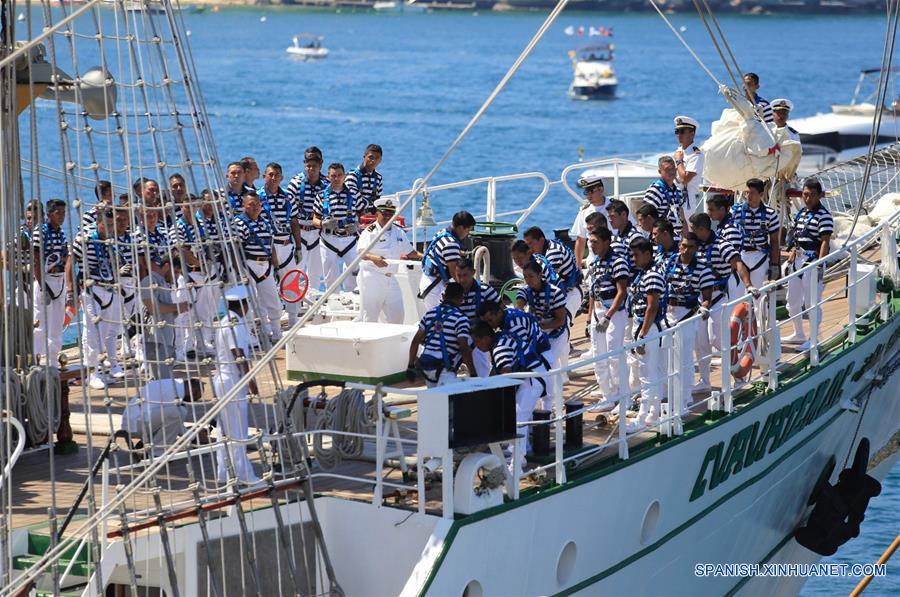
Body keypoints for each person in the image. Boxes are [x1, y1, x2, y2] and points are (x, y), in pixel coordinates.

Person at [689, 212, 756, 391]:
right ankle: (705, 381)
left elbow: (738, 263)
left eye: (693, 229)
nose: (691, 232)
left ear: (702, 229)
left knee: (718, 339)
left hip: (718, 299)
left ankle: (739, 375)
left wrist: (748, 285)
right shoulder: (696, 246)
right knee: (701, 342)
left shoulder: (722, 245)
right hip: (700, 300)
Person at [470, 321, 547, 472]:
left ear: (485, 338)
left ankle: (517, 464)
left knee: (519, 419)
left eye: (476, 342)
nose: (476, 346)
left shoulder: (499, 349)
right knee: (518, 417)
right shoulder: (500, 338)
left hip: (532, 379)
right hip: (532, 375)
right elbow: (496, 371)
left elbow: (505, 373)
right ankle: (518, 454)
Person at [73, 207, 126, 390]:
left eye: (113, 225)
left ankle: (103, 370)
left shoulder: (112, 240)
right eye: (107, 225)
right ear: (99, 223)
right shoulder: (85, 239)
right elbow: (70, 263)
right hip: (91, 288)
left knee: (108, 332)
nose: (110, 229)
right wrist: (72, 292)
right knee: (92, 332)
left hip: (109, 288)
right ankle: (92, 373)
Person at [212, 285, 261, 483]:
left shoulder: (225, 321)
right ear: (243, 304)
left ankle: (224, 472)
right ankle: (243, 474)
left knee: (224, 431)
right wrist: (251, 382)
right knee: (238, 430)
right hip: (232, 380)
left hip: (223, 380)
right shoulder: (235, 323)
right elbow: (238, 354)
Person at [662, 232, 715, 411]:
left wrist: (704, 308)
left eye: (691, 247)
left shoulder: (703, 269)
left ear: (697, 249)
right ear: (679, 246)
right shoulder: (668, 263)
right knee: (665, 356)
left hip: (687, 313)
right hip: (667, 313)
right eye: (684, 246)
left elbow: (707, 297)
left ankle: (685, 398)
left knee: (684, 357)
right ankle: (667, 394)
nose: (686, 250)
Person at [784, 178, 833, 351]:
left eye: (812, 195)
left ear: (820, 195)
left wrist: (820, 263)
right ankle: (798, 333)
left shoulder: (824, 216)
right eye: (805, 195)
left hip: (812, 262)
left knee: (812, 302)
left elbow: (825, 241)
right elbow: (797, 236)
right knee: (792, 300)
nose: (807, 198)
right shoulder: (802, 213)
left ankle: (813, 339)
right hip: (797, 260)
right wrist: (792, 252)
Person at [170, 193, 219, 358]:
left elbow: (208, 245)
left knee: (204, 312)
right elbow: (181, 251)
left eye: (193, 206)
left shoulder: (201, 225)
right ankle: (184, 347)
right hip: (188, 274)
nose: (190, 210)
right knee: (185, 313)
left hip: (204, 274)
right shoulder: (177, 227)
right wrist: (199, 263)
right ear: (182, 208)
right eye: (187, 206)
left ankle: (202, 344)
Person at [356, 197, 419, 323]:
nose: (387, 217)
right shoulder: (370, 232)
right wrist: (374, 258)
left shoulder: (398, 232)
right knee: (370, 318)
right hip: (373, 278)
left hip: (391, 278)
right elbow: (360, 252)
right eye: (384, 214)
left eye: (390, 214)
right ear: (377, 214)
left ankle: (392, 343)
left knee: (398, 316)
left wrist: (428, 255)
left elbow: (411, 252)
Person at [516, 261, 569, 406]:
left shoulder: (555, 293)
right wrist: (520, 311)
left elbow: (560, 320)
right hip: (538, 333)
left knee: (547, 366)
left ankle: (549, 404)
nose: (528, 280)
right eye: (525, 277)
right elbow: (519, 304)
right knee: (537, 366)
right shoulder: (525, 291)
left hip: (556, 333)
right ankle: (545, 401)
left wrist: (542, 325)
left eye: (531, 276)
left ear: (540, 275)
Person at [586, 227, 629, 403]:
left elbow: (622, 292)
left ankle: (622, 394)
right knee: (599, 355)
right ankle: (607, 394)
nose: (591, 245)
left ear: (606, 242)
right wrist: (589, 318)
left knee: (614, 355)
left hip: (614, 312)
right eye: (590, 242)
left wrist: (608, 316)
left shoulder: (618, 262)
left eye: (595, 242)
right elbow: (592, 292)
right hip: (598, 311)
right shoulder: (595, 263)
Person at [628, 238, 667, 428]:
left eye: (636, 255)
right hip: (646, 326)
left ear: (647, 254)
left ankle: (643, 417)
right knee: (653, 371)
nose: (633, 259)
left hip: (648, 328)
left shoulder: (651, 276)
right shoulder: (645, 274)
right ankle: (653, 412)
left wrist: (642, 335)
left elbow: (652, 307)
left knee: (646, 373)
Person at [233, 190, 282, 342]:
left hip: (266, 266)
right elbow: (234, 248)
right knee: (251, 302)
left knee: (273, 300)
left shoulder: (265, 223)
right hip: (248, 265)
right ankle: (252, 334)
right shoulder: (238, 223)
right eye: (251, 205)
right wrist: (239, 271)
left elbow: (272, 245)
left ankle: (276, 332)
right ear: (244, 206)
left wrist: (276, 267)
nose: (255, 208)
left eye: (257, 205)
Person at [257, 162, 303, 326]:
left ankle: (293, 319)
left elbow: (294, 222)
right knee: (266, 287)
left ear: (282, 177)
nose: (274, 178)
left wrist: (298, 247)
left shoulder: (288, 197)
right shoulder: (258, 197)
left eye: (277, 175)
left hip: (287, 246)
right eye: (270, 174)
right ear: (264, 176)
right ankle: (267, 324)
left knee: (291, 282)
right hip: (269, 247)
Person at [407, 282, 474, 387]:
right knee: (447, 402)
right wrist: (473, 373)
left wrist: (410, 366)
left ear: (444, 296)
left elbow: (416, 341)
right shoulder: (461, 318)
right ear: (461, 299)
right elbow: (464, 347)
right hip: (445, 369)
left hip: (427, 367)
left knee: (434, 400)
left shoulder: (430, 314)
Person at [313, 163, 365, 291]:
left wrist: (358, 226)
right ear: (328, 177)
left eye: (340, 175)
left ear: (345, 176)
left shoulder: (354, 194)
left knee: (356, 273)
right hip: (328, 239)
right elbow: (314, 219)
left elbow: (364, 215)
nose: (336, 178)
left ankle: (355, 302)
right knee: (330, 277)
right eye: (333, 176)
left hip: (350, 240)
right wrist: (322, 224)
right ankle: (332, 301)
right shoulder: (321, 195)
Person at [121, 378, 204, 457]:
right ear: (192, 390)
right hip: (136, 426)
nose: (193, 401)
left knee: (175, 415)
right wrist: (194, 436)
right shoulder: (174, 391)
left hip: (136, 423)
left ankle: (145, 443)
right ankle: (157, 453)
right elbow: (176, 422)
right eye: (195, 397)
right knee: (179, 412)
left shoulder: (173, 385)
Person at [33, 199, 70, 367]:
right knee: (40, 324)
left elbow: (64, 254)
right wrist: (43, 287)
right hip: (45, 280)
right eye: (58, 213)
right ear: (49, 214)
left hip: (59, 281)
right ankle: (36, 360)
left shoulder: (60, 232)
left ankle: (53, 361)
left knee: (56, 324)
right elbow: (36, 260)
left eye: (63, 213)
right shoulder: (40, 231)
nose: (61, 216)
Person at [286, 147, 327, 291]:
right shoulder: (296, 183)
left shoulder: (326, 185)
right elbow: (289, 211)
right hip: (300, 231)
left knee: (316, 272)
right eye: (308, 165)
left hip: (318, 233)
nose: (311, 169)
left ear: (321, 164)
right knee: (295, 271)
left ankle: (312, 304)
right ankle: (293, 303)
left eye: (314, 165)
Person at [140, 256, 188, 379]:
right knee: (161, 380)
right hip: (155, 340)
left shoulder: (163, 283)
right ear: (167, 266)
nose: (177, 276)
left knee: (164, 379)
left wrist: (178, 309)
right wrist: (178, 307)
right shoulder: (149, 281)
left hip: (165, 338)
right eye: (176, 272)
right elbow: (152, 308)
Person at [523, 226, 583, 322]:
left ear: (541, 240)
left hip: (571, 292)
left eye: (531, 243)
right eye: (527, 245)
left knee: (559, 326)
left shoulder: (553, 252)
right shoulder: (539, 252)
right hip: (560, 289)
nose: (529, 248)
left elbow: (547, 279)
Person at [419, 211, 476, 311]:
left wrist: (459, 253)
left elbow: (442, 251)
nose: (468, 234)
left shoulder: (442, 233)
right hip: (435, 288)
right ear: (460, 228)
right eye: (468, 230)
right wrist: (467, 290)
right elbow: (454, 272)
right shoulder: (451, 244)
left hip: (428, 281)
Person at [731, 179, 782, 292]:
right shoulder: (736, 211)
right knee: (738, 296)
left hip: (760, 257)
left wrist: (774, 265)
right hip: (741, 256)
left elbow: (774, 241)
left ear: (761, 194)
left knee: (760, 296)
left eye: (752, 193)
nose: (748, 196)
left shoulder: (771, 214)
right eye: (747, 192)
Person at [454, 257, 500, 377]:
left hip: (479, 337)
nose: (462, 279)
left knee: (479, 354)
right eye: (459, 275)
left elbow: (501, 311)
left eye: (465, 275)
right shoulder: (450, 291)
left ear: (473, 273)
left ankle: (482, 382)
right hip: (457, 335)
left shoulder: (486, 290)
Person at [570, 173, 609, 268]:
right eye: (586, 192)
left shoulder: (615, 208)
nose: (588, 195)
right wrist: (578, 267)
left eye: (591, 191)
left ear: (601, 189)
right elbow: (581, 240)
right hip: (593, 260)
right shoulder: (584, 212)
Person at [643, 156, 687, 234]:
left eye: (673, 168)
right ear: (660, 171)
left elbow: (682, 217)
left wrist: (685, 237)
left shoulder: (678, 191)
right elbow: (645, 217)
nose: (671, 172)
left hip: (676, 239)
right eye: (667, 169)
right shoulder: (656, 190)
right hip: (662, 238)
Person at [673, 115, 706, 214]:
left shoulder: (696, 155)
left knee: (686, 229)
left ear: (692, 134)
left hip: (686, 201)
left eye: (682, 131)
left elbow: (684, 179)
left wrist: (679, 161)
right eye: (677, 132)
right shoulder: (679, 151)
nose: (679, 135)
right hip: (674, 198)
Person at [345, 144, 384, 213]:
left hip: (371, 217)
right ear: (364, 157)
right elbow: (349, 199)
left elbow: (378, 200)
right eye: (370, 157)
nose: (373, 160)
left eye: (377, 158)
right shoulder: (352, 176)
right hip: (354, 216)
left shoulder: (378, 178)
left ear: (380, 160)